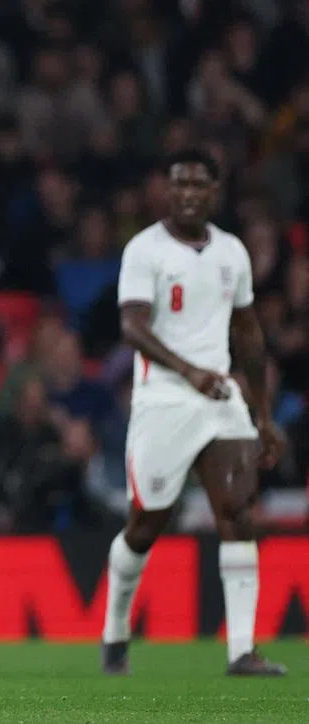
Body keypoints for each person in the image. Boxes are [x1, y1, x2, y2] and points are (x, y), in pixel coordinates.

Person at [101, 148, 286, 676]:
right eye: (178, 184)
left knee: (237, 510)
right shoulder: (145, 250)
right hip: (164, 398)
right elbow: (132, 327)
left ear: (214, 191)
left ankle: (242, 650)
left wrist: (263, 414)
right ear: (165, 190)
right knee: (147, 523)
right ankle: (115, 630)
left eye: (198, 185)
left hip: (221, 399)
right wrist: (189, 372)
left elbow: (248, 333)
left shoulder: (232, 252)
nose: (187, 194)